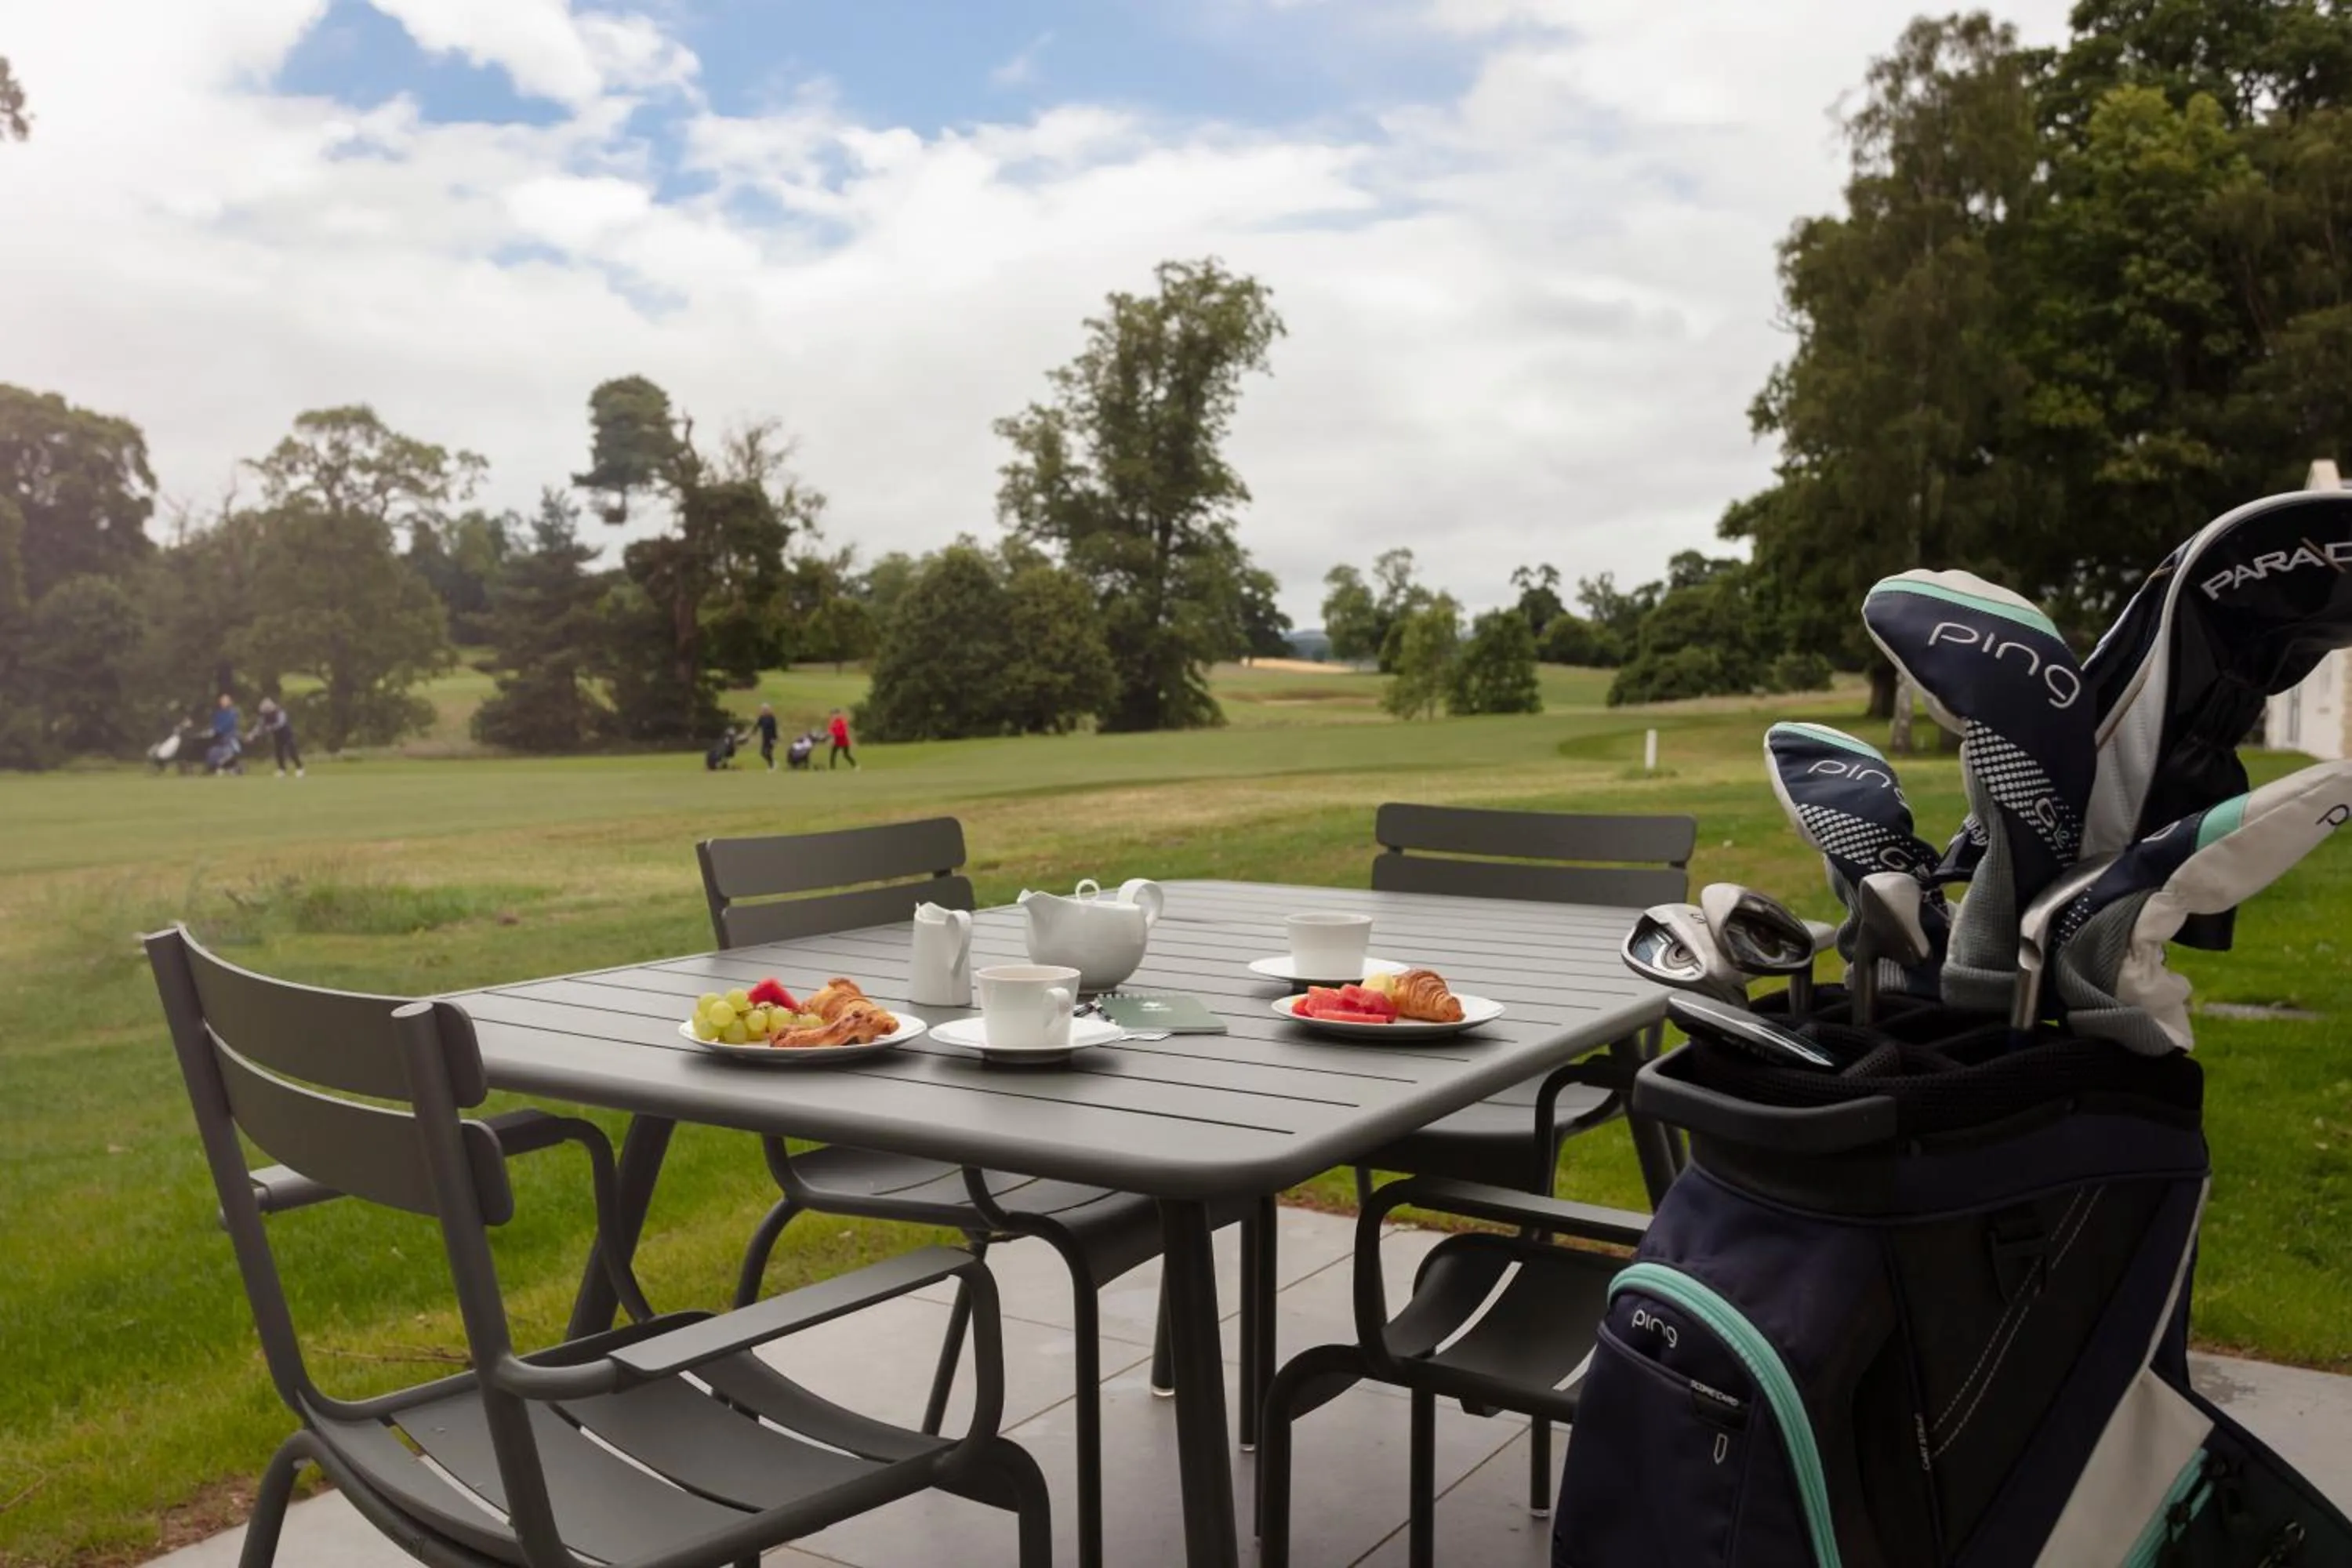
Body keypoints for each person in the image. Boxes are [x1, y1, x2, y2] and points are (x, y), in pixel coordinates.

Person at [253, 697, 305, 778]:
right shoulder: (264, 716)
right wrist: (252, 735)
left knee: (292, 751)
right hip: (277, 735)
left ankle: (299, 768)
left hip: (287, 734)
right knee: (278, 752)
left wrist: (270, 728)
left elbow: (281, 723)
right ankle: (282, 770)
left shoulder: (280, 712)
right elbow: (259, 726)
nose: (266, 712)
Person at [207, 693, 243, 775]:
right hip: (219, 738)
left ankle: (231, 768)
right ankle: (219, 768)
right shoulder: (217, 713)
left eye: (225, 701)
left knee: (233, 751)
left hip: (230, 737)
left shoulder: (233, 713)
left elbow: (228, 724)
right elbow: (215, 725)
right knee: (213, 752)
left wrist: (217, 730)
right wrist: (213, 731)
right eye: (222, 701)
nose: (223, 702)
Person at [827, 707, 858, 771]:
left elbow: (846, 731)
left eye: (835, 714)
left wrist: (850, 740)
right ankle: (832, 768)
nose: (833, 716)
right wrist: (831, 739)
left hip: (843, 739)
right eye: (832, 714)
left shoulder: (842, 721)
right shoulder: (832, 722)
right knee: (833, 754)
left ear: (838, 714)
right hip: (837, 740)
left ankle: (855, 765)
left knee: (846, 754)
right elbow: (831, 732)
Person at [754, 702, 780, 771]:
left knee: (768, 752)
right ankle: (773, 763)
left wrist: (775, 738)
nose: (764, 711)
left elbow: (774, 728)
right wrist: (752, 733)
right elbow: (757, 726)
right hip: (765, 738)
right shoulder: (762, 718)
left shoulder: (771, 718)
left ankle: (772, 766)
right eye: (763, 709)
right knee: (762, 753)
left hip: (771, 738)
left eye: (765, 709)